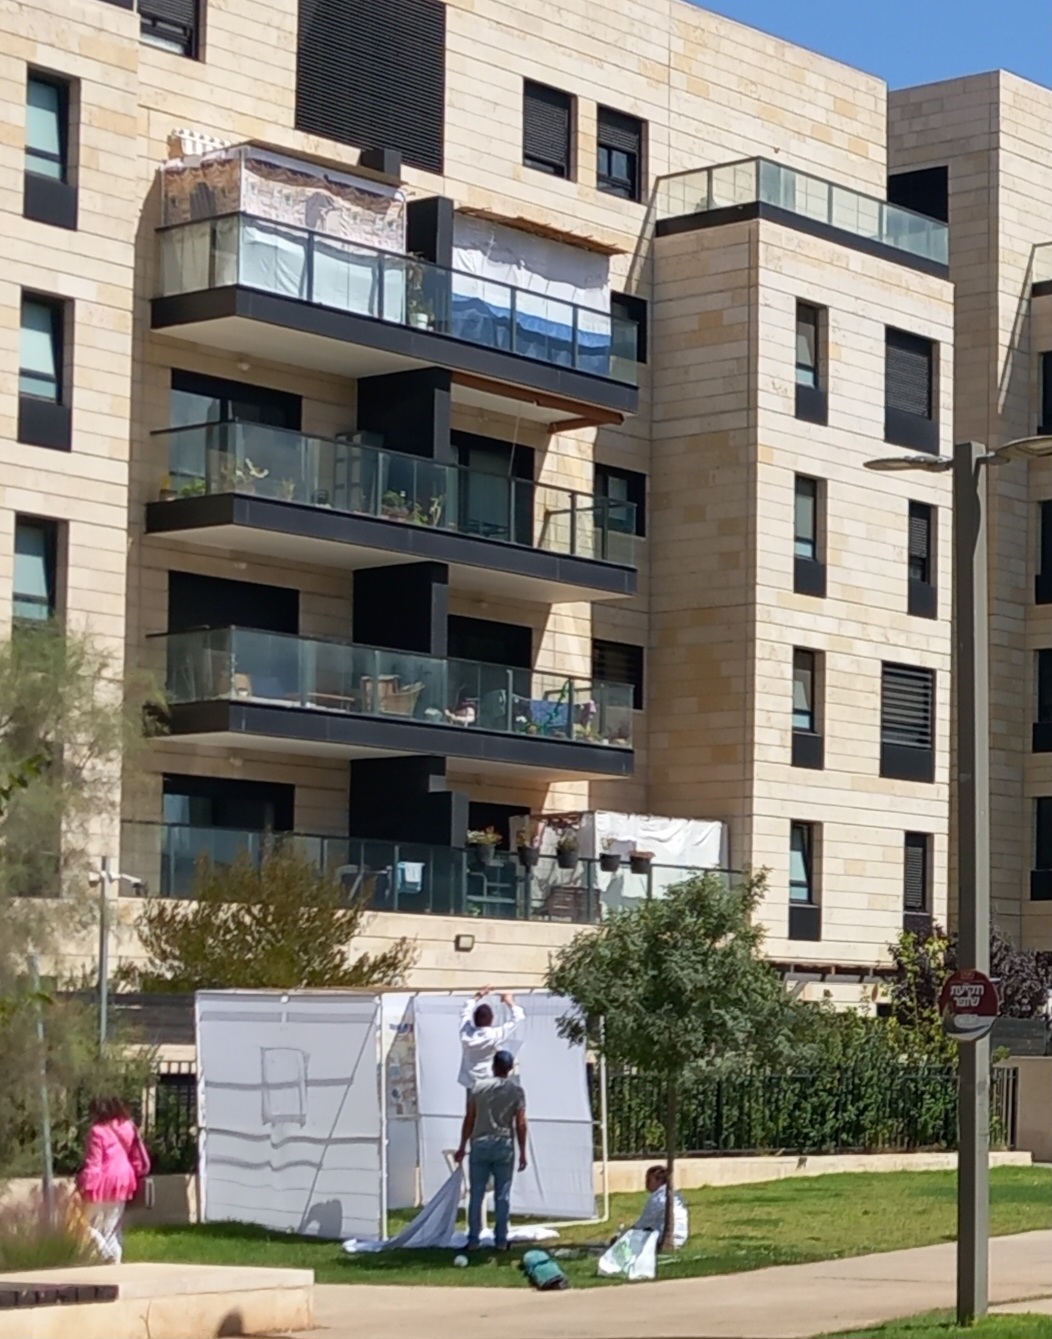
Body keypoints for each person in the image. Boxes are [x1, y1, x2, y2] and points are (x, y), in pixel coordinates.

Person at [454, 1050, 528, 1251]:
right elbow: (520, 1123)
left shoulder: (478, 1088)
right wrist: (522, 1151)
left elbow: (469, 1119)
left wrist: (462, 1146)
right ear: (510, 1068)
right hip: (503, 1143)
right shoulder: (516, 1092)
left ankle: (473, 1238)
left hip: (480, 1142)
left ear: (493, 1066)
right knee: (502, 1194)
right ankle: (501, 1239)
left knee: (476, 1192)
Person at [76, 1095, 150, 1264]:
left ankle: (105, 1254)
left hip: (102, 1180)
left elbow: (94, 1162)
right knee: (112, 1228)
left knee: (88, 1224)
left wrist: (84, 1185)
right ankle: (116, 1263)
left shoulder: (97, 1131)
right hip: (124, 1178)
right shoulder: (128, 1126)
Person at [458, 985, 525, 1094]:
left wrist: (478, 996)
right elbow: (518, 1018)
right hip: (488, 1081)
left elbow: (465, 1012)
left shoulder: (465, 1034)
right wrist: (509, 1001)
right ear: (491, 1019)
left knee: (472, 1105)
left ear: (474, 1018)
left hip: (470, 1082)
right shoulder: (494, 1035)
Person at [633, 1165, 689, 1248]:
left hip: (665, 1239)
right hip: (681, 1238)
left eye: (649, 1180)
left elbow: (643, 1223)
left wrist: (627, 1232)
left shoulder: (658, 1197)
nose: (646, 1183)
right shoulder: (675, 1194)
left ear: (659, 1180)